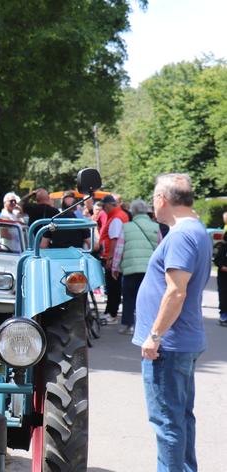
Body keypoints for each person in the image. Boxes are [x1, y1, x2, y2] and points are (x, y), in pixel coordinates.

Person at [132, 173, 211, 472]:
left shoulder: (181, 235)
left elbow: (176, 291)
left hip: (170, 344)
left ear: (162, 199)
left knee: (167, 423)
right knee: (179, 419)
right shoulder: (194, 230)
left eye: (154, 197)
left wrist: (155, 335)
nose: (154, 204)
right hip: (180, 341)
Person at [111, 199, 160, 335]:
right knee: (147, 298)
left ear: (133, 211)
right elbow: (160, 249)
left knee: (129, 297)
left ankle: (128, 324)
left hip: (130, 268)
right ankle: (147, 326)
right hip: (149, 270)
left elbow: (119, 249)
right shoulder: (155, 227)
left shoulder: (127, 227)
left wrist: (115, 268)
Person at [99, 194, 129, 324]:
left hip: (112, 257)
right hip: (117, 256)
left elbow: (114, 239)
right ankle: (110, 312)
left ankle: (112, 314)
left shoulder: (116, 218)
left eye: (105, 206)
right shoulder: (119, 215)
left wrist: (110, 258)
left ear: (111, 205)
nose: (103, 209)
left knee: (113, 287)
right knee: (113, 287)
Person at [215, 232, 227, 324]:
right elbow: (217, 260)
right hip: (223, 276)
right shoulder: (223, 247)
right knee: (223, 295)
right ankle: (223, 314)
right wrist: (222, 266)